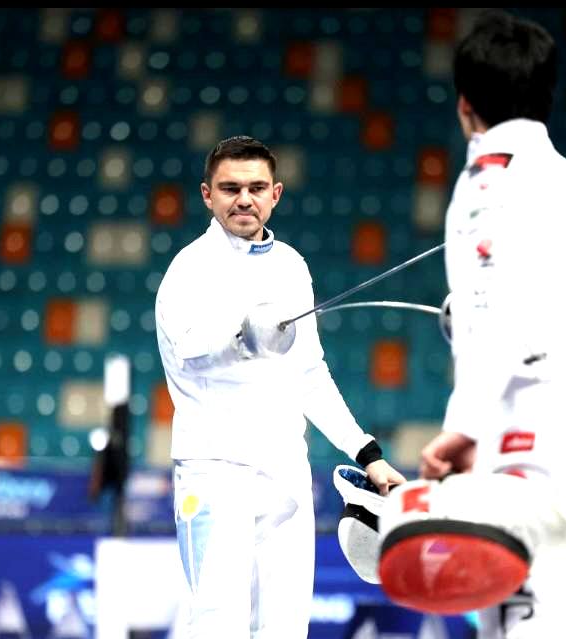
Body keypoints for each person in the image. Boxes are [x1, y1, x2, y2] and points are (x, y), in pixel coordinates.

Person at [415, 10, 566, 638]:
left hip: (533, 452)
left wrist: (462, 429)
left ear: (465, 106)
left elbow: (499, 312)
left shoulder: (490, 177)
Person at [155, 135, 406, 638]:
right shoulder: (190, 268)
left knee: (286, 627)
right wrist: (244, 337)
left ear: (276, 194)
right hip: (214, 471)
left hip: (286, 469)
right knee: (217, 625)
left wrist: (367, 453)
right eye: (230, 188)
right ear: (207, 195)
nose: (244, 199)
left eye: (256, 188)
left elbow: (309, 372)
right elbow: (189, 351)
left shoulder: (290, 265)